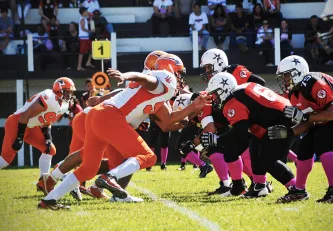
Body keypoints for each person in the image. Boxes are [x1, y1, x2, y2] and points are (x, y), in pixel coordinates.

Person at [38, 56, 206, 210]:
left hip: (98, 116)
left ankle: (49, 200)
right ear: (171, 69)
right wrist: (125, 75)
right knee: (148, 156)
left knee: (88, 169)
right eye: (179, 73)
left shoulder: (159, 97)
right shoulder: (164, 79)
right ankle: (109, 178)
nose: (181, 78)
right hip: (110, 116)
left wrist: (194, 107)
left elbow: (168, 119)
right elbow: (146, 79)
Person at [269, 55, 333, 203]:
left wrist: (304, 117)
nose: (284, 80)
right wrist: (289, 132)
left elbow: (331, 114)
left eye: (286, 76)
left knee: (322, 140)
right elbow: (310, 121)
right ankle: (299, 190)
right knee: (305, 145)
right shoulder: (294, 93)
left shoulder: (314, 83)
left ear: (297, 72)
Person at [200, 72, 296, 198]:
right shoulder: (243, 88)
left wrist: (217, 140)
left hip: (281, 122)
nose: (214, 98)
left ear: (223, 89)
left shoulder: (232, 100)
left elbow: (240, 130)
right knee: (254, 149)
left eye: (215, 93)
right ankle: (259, 187)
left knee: (267, 158)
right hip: (282, 116)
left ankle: (296, 188)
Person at [0, 78, 75, 180]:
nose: (69, 95)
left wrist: (48, 138)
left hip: (31, 127)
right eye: (67, 92)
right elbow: (25, 115)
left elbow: (47, 120)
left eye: (70, 92)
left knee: (50, 150)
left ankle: (43, 181)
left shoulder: (63, 105)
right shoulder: (49, 97)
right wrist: (19, 137)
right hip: (17, 123)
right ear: (59, 90)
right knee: (5, 161)